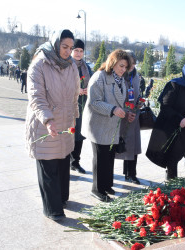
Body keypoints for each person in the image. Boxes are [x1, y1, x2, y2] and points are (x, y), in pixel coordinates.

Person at [25, 29, 80, 221]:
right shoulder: (39, 64)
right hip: (44, 123)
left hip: (64, 122)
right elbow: (36, 96)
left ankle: (62, 199)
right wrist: (47, 120)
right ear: (56, 44)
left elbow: (74, 93)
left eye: (70, 48)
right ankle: (53, 209)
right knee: (48, 165)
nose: (67, 51)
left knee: (63, 161)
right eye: (64, 47)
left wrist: (75, 115)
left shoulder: (71, 65)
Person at [82, 49, 131, 202]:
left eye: (125, 67)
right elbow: (94, 102)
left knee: (109, 156)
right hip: (98, 124)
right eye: (121, 66)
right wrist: (113, 109)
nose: (123, 70)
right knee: (100, 156)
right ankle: (97, 189)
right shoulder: (99, 77)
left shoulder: (120, 79)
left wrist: (126, 112)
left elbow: (120, 100)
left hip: (111, 124)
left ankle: (106, 185)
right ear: (113, 62)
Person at [146, 61, 185, 180]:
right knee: (172, 155)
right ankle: (171, 181)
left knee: (180, 153)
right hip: (171, 126)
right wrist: (179, 118)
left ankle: (173, 179)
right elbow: (165, 106)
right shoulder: (174, 85)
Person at [115, 51, 142, 184]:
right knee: (120, 145)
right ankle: (109, 177)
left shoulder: (136, 76)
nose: (131, 66)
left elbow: (138, 93)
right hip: (120, 115)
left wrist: (139, 104)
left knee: (133, 146)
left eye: (133, 64)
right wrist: (125, 112)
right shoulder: (119, 76)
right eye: (128, 64)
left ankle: (131, 173)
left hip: (134, 116)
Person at [69, 39, 93, 174]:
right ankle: (67, 160)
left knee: (80, 133)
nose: (78, 53)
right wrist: (76, 90)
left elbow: (93, 82)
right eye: (76, 50)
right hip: (70, 105)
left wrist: (88, 89)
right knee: (70, 133)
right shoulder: (66, 64)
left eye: (81, 51)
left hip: (83, 104)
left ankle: (75, 161)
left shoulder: (86, 67)